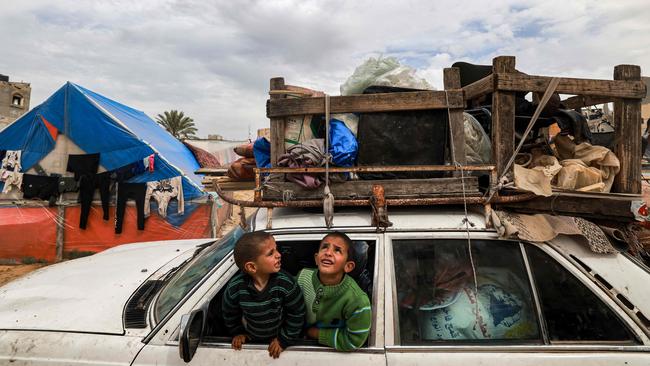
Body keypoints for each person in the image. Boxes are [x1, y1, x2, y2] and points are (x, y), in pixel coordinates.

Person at [222, 231, 305, 358]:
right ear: (252, 267)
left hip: (280, 337)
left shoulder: (286, 283)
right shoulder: (236, 288)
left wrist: (284, 339)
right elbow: (229, 314)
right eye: (271, 253)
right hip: (252, 339)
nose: (278, 255)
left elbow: (297, 313)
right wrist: (238, 333)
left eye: (276, 249)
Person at [297, 232, 371, 351]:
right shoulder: (302, 277)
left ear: (348, 266)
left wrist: (315, 333)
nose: (328, 253)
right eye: (325, 247)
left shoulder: (357, 300)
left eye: (337, 250)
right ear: (316, 258)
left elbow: (353, 341)